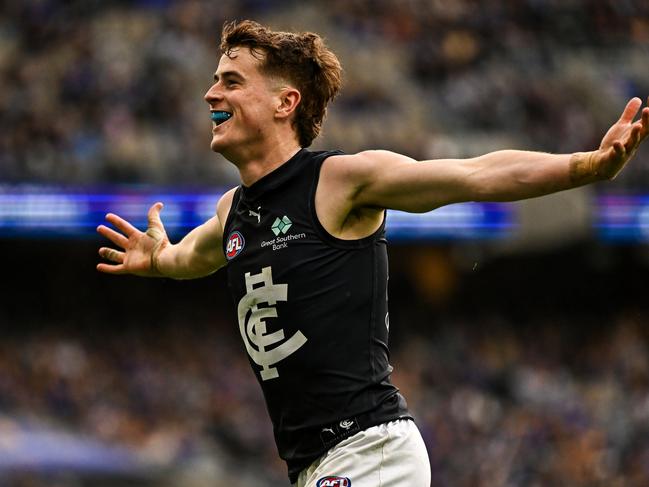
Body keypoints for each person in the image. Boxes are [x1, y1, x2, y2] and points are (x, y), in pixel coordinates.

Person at [97, 19, 649, 487]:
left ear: (286, 102)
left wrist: (584, 166)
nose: (211, 95)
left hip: (370, 452)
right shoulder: (231, 213)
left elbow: (473, 174)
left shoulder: (340, 181)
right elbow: (191, 256)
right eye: (215, 81)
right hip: (318, 467)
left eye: (231, 82)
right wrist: (157, 258)